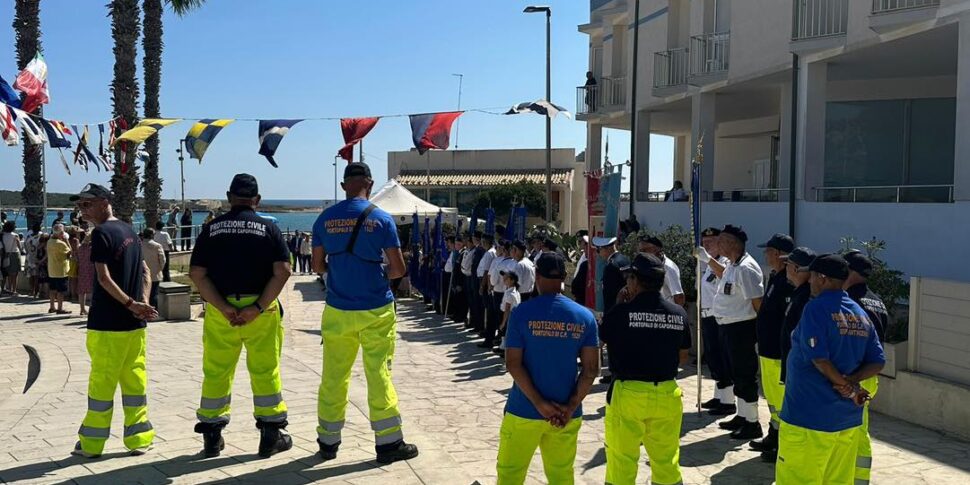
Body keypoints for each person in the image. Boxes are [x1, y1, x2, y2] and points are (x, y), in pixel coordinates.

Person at [311, 162, 418, 464]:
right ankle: (388, 443)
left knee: (333, 376)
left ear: (344, 185)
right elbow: (398, 268)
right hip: (376, 309)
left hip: (338, 309)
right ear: (369, 185)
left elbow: (318, 266)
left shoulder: (325, 219)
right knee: (378, 374)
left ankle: (328, 441)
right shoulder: (382, 219)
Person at [189, 174, 293, 458]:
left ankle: (212, 436)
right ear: (257, 200)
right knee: (265, 370)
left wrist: (224, 308)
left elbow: (197, 274)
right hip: (261, 311)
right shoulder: (268, 229)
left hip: (221, 311)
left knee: (216, 371)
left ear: (228, 197)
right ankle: (270, 435)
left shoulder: (211, 229)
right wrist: (256, 308)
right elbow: (283, 271)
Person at [777, 254, 885, 485]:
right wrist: (853, 382)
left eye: (813, 277)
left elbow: (820, 360)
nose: (809, 282)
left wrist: (846, 385)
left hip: (808, 418)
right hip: (847, 420)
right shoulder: (860, 313)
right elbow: (878, 362)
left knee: (796, 479)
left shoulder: (815, 309)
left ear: (822, 279)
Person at [70, 183, 157, 458]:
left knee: (102, 385)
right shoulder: (129, 230)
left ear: (104, 202)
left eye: (87, 204)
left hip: (108, 324)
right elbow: (145, 271)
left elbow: (104, 278)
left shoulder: (101, 234)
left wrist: (133, 304)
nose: (82, 210)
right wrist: (141, 305)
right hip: (134, 326)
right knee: (134, 382)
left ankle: (92, 444)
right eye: (80, 205)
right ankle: (139, 438)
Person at [496, 252, 599, 484]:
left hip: (523, 410)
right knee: (561, 476)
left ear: (538, 276)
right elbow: (591, 369)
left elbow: (513, 363)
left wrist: (540, 404)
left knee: (510, 474)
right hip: (566, 413)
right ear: (563, 278)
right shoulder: (584, 317)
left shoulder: (522, 313)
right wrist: (570, 406)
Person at [601, 254, 691, 485]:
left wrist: (620, 305)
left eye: (629, 278)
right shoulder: (679, 314)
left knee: (622, 459)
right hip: (667, 394)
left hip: (628, 395)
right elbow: (682, 356)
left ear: (634, 281)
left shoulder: (621, 313)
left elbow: (603, 340)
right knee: (666, 461)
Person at [711, 225, 765, 440]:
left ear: (733, 244)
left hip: (741, 328)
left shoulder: (746, 268)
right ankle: (742, 416)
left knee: (744, 374)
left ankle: (753, 422)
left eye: (721, 240)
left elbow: (757, 302)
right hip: (728, 326)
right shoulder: (733, 265)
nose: (718, 244)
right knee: (735, 373)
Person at [843, 250, 888, 484]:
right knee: (859, 427)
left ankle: (856, 479)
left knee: (854, 432)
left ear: (850, 271)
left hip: (856, 376)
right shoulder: (876, 299)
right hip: (870, 374)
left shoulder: (850, 301)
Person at [749, 233, 795, 457]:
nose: (765, 254)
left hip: (777, 353)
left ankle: (781, 444)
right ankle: (773, 436)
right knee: (772, 399)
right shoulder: (777, 276)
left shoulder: (789, 281)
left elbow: (786, 320)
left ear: (778, 254)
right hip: (768, 352)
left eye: (768, 251)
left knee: (780, 401)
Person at [694, 228, 736, 415]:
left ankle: (728, 401)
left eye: (712, 241)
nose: (707, 245)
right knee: (712, 357)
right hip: (706, 315)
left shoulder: (724, 262)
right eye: (705, 242)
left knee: (721, 358)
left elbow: (724, 275)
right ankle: (720, 395)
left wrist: (707, 260)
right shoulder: (706, 263)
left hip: (718, 316)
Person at [637, 235, 685, 306]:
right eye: (640, 251)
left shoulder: (668, 268)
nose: (642, 254)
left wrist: (675, 315)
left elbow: (679, 297)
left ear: (657, 249)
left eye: (645, 250)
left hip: (666, 313)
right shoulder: (649, 265)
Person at [484, 240, 514, 350]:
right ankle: (500, 341)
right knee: (504, 319)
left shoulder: (500, 262)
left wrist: (490, 285)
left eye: (500, 248)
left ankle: (498, 342)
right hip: (508, 293)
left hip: (498, 293)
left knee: (497, 319)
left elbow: (493, 279)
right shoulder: (513, 262)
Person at [592, 237, 630, 312]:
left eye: (599, 250)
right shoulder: (625, 259)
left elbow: (609, 295)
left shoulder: (611, 266)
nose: (598, 253)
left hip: (615, 310)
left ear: (608, 249)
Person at [476, 234, 497, 346]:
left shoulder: (489, 253)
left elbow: (486, 272)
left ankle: (489, 336)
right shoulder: (490, 252)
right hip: (485, 282)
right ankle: (488, 333)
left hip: (485, 282)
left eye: (484, 242)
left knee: (489, 311)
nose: (482, 244)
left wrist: (482, 285)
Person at [47, 225, 72, 314]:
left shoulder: (49, 241)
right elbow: (70, 251)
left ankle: (52, 307)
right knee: (61, 291)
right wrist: (66, 240)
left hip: (52, 270)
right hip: (61, 270)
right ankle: (60, 308)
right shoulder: (61, 243)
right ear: (61, 234)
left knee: (52, 289)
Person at [140, 229, 166, 309]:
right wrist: (160, 269)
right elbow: (163, 260)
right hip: (155, 273)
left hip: (142, 273)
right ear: (151, 235)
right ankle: (154, 311)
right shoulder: (157, 246)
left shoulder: (139, 245)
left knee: (143, 293)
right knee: (154, 294)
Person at [76, 230, 95, 316]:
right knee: (93, 290)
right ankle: (93, 308)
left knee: (82, 291)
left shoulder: (79, 247)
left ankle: (82, 309)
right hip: (91, 270)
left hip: (82, 270)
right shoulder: (92, 249)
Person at [1, 221, 23, 295]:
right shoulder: (15, 235)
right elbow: (19, 246)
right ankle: (14, 290)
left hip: (5, 255)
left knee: (8, 274)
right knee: (15, 274)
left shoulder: (2, 235)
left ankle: (9, 289)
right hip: (14, 254)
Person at [571, 235, 589, 307]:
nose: (581, 244)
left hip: (583, 298)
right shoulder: (584, 256)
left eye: (582, 242)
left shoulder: (587, 263)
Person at [24, 224, 42, 298]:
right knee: (36, 276)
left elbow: (25, 247)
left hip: (29, 258)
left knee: (30, 276)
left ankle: (31, 290)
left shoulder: (28, 237)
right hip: (36, 258)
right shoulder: (40, 236)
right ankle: (36, 292)